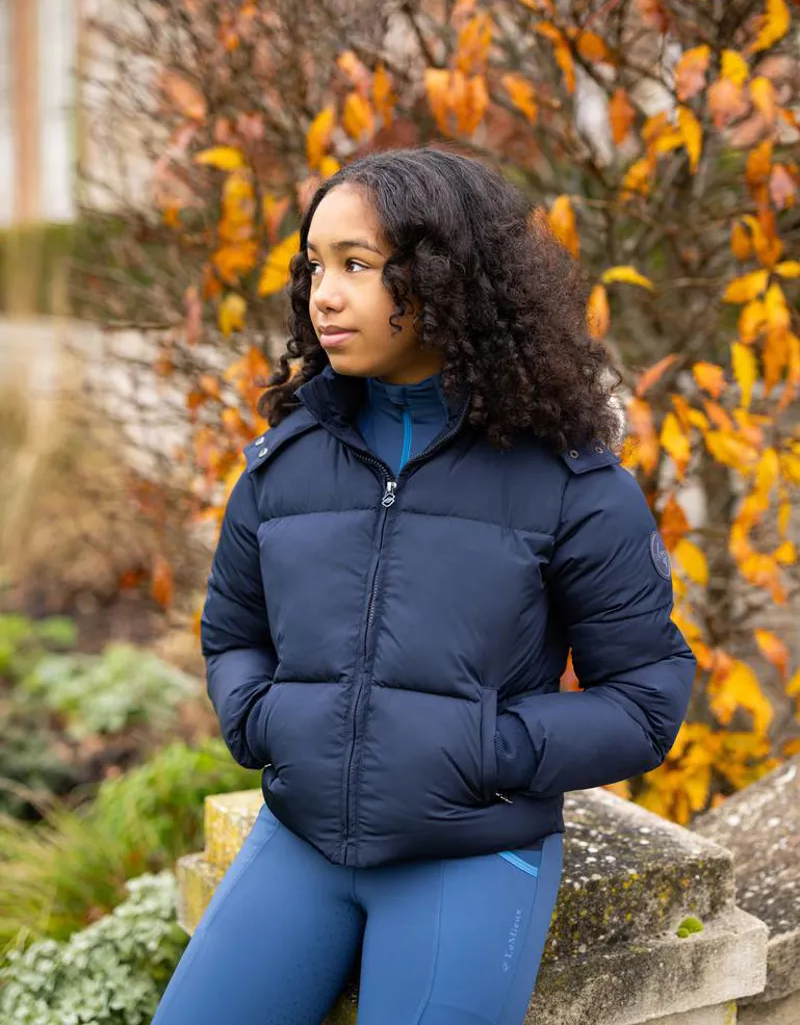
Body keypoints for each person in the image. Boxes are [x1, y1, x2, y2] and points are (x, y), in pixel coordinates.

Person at [151, 146, 696, 1025]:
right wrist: (263, 720)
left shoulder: (572, 486)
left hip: (471, 856)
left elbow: (644, 700)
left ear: (448, 277)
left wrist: (484, 749)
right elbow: (234, 633)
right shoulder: (283, 464)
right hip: (300, 843)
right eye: (315, 266)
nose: (325, 295)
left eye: (358, 266)